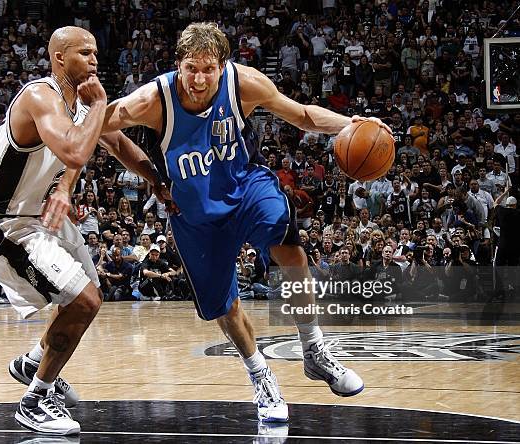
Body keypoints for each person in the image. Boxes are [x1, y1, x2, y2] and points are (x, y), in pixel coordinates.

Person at [66, 22, 390, 422]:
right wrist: (145, 174)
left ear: (223, 65)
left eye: (208, 69)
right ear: (178, 65)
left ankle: (314, 349)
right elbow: (97, 126)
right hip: (194, 213)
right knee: (226, 306)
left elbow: (303, 115)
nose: (199, 79)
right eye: (190, 68)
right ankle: (261, 374)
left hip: (245, 186)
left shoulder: (244, 84)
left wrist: (351, 125)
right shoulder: (153, 99)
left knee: (290, 249)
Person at [0, 27, 142, 435]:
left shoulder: (79, 104)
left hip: (36, 219)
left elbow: (119, 146)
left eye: (97, 52)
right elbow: (77, 150)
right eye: (85, 53)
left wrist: (159, 183)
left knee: (87, 297)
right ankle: (36, 399)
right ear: (60, 58)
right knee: (84, 301)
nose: (95, 61)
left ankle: (32, 364)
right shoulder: (39, 95)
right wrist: (98, 104)